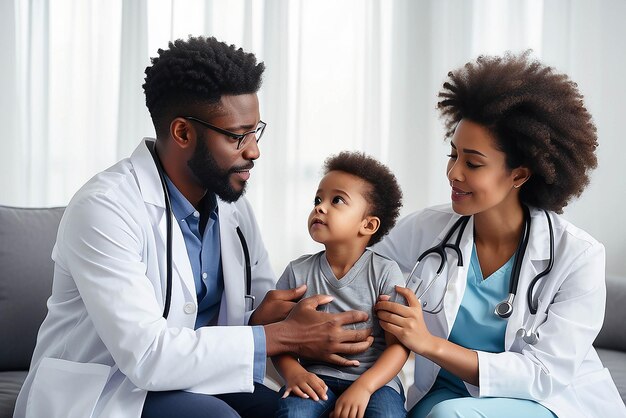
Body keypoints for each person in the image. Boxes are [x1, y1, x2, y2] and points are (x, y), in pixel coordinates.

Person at [13, 36, 375, 418]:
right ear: (183, 133)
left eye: (256, 131)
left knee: (293, 412)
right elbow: (147, 356)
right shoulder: (104, 209)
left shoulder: (234, 209)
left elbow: (256, 317)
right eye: (237, 136)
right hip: (115, 389)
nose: (254, 150)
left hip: (201, 377)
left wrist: (283, 319)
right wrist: (281, 334)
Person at [373, 52, 626, 418]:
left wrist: (427, 344)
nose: (453, 173)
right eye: (453, 154)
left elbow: (543, 376)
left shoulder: (578, 256)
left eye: (473, 163)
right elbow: (364, 279)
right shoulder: (424, 229)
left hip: (542, 400)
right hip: (444, 392)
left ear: (519, 175)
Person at [273, 151, 409, 418]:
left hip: (375, 382)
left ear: (368, 225)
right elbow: (278, 338)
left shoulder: (385, 273)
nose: (320, 207)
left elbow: (399, 346)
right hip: (314, 377)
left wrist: (364, 387)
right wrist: (294, 372)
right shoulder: (297, 271)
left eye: (337, 200)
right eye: (318, 199)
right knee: (292, 414)